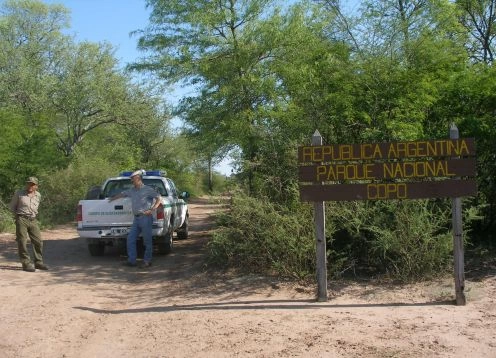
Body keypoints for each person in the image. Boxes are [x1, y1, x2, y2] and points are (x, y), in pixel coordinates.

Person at [109, 170, 161, 268]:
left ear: (138, 178)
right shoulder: (132, 190)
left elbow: (159, 198)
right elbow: (122, 194)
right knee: (130, 239)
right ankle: (132, 261)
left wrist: (152, 209)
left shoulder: (147, 189)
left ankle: (147, 261)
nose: (131, 181)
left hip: (146, 218)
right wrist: (112, 198)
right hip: (136, 219)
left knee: (147, 241)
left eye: (132, 179)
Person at [9, 176, 48, 272]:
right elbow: (12, 207)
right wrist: (17, 218)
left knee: (38, 241)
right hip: (21, 218)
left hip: (33, 220)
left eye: (32, 184)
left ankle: (38, 262)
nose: (30, 185)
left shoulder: (38, 195)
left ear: (36, 186)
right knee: (22, 241)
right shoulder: (19, 193)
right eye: (28, 183)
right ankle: (26, 263)